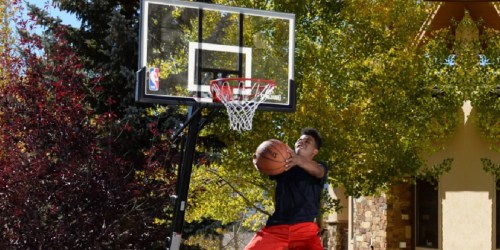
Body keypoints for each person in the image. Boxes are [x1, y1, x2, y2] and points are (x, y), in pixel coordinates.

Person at [245, 128, 328, 250]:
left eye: (307, 141)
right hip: (277, 228)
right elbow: (266, 162)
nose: (301, 142)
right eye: (300, 140)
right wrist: (259, 161)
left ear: (315, 151)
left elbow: (319, 172)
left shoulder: (319, 167)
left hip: (305, 231)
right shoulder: (283, 166)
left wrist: (298, 160)